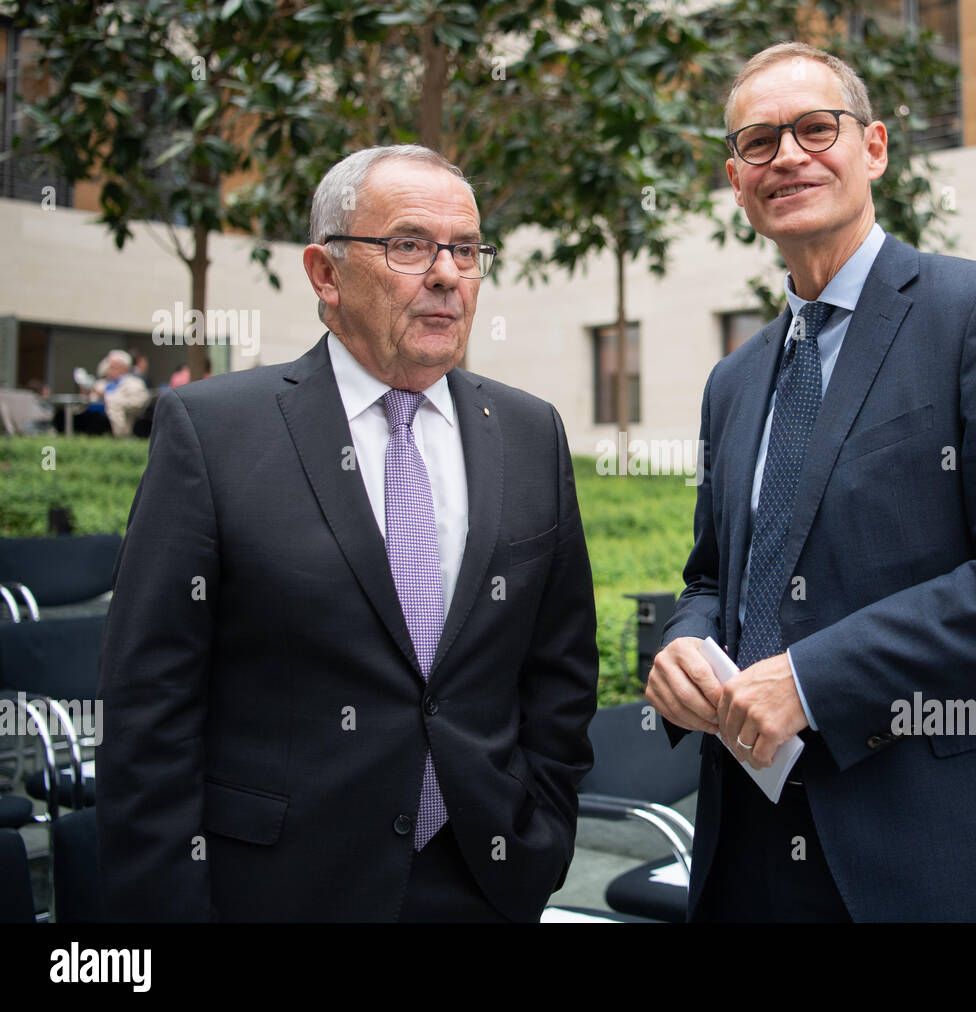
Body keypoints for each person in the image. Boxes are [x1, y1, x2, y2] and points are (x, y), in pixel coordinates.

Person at [645, 43, 976, 922]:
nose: (787, 155)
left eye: (816, 128)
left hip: (939, 849)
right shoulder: (734, 380)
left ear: (876, 149)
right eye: (758, 142)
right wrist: (683, 647)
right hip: (748, 846)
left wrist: (815, 680)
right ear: (736, 181)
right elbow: (713, 577)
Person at [97, 144, 599, 922]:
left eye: (466, 250)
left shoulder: (529, 431)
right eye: (408, 245)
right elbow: (150, 708)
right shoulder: (214, 431)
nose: (446, 274)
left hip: (484, 882)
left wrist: (540, 836)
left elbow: (560, 669)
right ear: (325, 274)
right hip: (279, 890)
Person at [73, 349, 149, 437]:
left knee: (96, 419)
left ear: (125, 368)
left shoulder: (135, 384)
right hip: (91, 418)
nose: (110, 370)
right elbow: (87, 402)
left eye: (114, 366)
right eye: (110, 366)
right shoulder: (101, 383)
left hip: (114, 422)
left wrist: (105, 396)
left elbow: (137, 404)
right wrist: (85, 392)